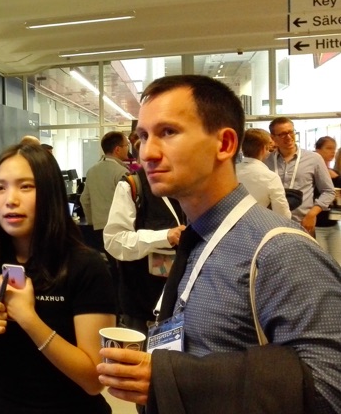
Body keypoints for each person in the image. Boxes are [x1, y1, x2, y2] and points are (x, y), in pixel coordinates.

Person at [96, 75, 341, 413]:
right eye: (143, 136)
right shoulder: (200, 239)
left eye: (168, 132)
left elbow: (330, 388)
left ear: (224, 144)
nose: (147, 152)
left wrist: (176, 378)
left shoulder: (281, 251)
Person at [0, 139, 117, 414]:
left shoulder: (86, 266)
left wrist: (28, 319)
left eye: (25, 186)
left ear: (50, 192)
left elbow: (93, 381)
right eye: (0, 188)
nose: (10, 200)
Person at [103, 167, 186, 335]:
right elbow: (114, 241)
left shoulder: (191, 184)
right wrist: (165, 236)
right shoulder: (133, 185)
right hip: (143, 306)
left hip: (184, 303)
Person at [264, 116, 335, 235]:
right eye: (282, 134)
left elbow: (328, 191)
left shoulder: (314, 159)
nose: (288, 137)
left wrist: (312, 214)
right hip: (273, 224)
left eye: (291, 132)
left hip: (303, 224)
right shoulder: (266, 160)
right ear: (273, 138)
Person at [80, 131, 131, 290]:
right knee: (123, 272)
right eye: (126, 145)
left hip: (99, 230)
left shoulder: (92, 171)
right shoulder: (122, 172)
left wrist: (93, 221)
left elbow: (84, 199)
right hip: (120, 231)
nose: (128, 149)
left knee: (111, 269)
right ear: (117, 149)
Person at [235, 128, 291, 218]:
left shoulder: (230, 173)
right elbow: (283, 214)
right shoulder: (271, 177)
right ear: (264, 148)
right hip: (258, 223)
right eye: (269, 148)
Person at [315, 136, 341, 263]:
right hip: (317, 225)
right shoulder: (312, 173)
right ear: (318, 150)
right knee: (323, 263)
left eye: (334, 149)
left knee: (338, 262)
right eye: (329, 148)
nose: (332, 152)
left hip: (333, 224)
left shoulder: (335, 173)